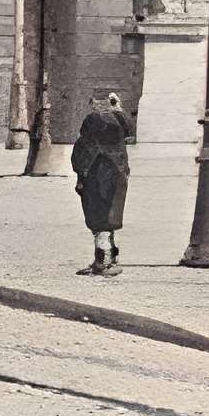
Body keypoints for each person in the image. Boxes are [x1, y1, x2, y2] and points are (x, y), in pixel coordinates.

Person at [71, 89, 131, 276]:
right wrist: (118, 109)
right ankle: (108, 260)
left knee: (100, 223)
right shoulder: (117, 137)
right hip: (117, 176)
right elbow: (127, 129)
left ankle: (103, 262)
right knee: (110, 221)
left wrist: (80, 178)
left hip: (95, 178)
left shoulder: (91, 132)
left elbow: (79, 157)